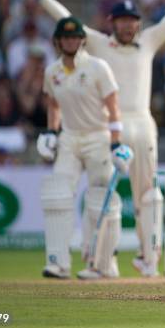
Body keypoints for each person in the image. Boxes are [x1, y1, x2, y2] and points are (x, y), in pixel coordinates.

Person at [13, 0, 165, 277]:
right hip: (108, 127)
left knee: (148, 194)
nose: (128, 26)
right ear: (113, 23)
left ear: (138, 23)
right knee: (104, 194)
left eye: (133, 21)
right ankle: (102, 261)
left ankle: (148, 258)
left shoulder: (149, 40)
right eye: (123, 21)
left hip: (143, 124)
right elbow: (66, 21)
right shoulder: (97, 43)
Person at [38, 15, 133, 280]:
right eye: (66, 37)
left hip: (98, 137)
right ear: (58, 42)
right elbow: (53, 105)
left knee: (101, 198)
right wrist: (51, 132)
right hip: (69, 137)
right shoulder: (52, 72)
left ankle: (103, 263)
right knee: (57, 195)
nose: (71, 41)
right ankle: (58, 262)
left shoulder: (98, 67)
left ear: (82, 40)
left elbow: (114, 107)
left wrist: (116, 143)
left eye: (75, 37)